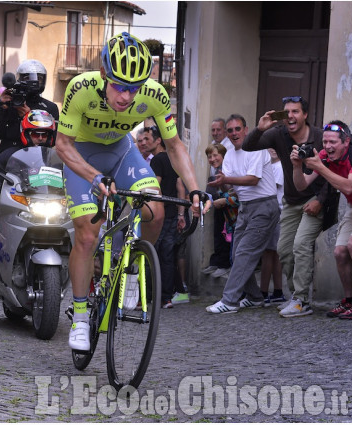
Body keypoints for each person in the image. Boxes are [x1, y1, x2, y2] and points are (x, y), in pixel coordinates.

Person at [54, 32, 208, 351]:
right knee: (86, 235)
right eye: (119, 86)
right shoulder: (80, 89)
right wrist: (94, 176)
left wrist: (195, 189)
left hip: (122, 151)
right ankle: (81, 316)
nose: (126, 96)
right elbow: (63, 145)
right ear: (103, 75)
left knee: (155, 209)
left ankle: (134, 267)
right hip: (82, 155)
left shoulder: (154, 95)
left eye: (134, 88)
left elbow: (175, 146)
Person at [243, 96, 326, 317]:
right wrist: (260, 129)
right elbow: (247, 145)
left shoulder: (319, 137)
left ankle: (301, 300)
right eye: (287, 112)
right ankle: (295, 296)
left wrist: (320, 200)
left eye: (295, 112)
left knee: (300, 245)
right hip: (291, 201)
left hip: (314, 199)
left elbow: (331, 171)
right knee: (285, 250)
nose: (290, 116)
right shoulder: (278, 134)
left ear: (305, 115)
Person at [0, 110, 57, 295]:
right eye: (36, 134)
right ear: (26, 133)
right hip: (16, 205)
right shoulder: (10, 154)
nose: (41, 138)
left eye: (45, 135)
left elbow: (71, 173)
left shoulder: (57, 157)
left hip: (48, 205)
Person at [206, 114, 280, 314]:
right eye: (230, 131)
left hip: (264, 206)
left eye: (237, 129)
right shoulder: (229, 154)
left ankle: (229, 301)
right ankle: (255, 297)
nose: (234, 133)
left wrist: (226, 179)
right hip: (245, 207)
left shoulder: (258, 148)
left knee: (244, 254)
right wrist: (221, 180)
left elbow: (253, 179)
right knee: (237, 254)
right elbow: (229, 183)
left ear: (246, 130)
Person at [291, 121, 352, 320]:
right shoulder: (324, 156)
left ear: (346, 142)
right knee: (340, 252)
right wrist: (297, 166)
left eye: (333, 142)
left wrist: (321, 168)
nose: (327, 147)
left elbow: (349, 187)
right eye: (324, 142)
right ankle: (349, 301)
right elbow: (301, 185)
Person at [145, 122, 188, 308]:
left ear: (158, 141)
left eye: (148, 139)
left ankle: (147, 298)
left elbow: (155, 187)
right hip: (172, 212)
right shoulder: (172, 159)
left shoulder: (157, 160)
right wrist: (181, 215)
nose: (145, 143)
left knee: (150, 254)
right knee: (167, 257)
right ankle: (167, 298)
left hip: (159, 214)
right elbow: (180, 187)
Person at [0, 59, 59, 155]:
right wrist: (2, 109)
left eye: (39, 78)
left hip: (37, 159)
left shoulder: (50, 107)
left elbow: (53, 141)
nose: (34, 81)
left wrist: (30, 116)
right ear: (19, 79)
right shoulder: (7, 103)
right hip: (8, 160)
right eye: (28, 78)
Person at [203, 143, 234, 277]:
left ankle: (224, 264)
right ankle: (216, 262)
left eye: (216, 155)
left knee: (226, 236)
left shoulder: (227, 170)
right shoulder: (214, 171)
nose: (212, 159)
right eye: (210, 156)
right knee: (217, 234)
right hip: (218, 208)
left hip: (230, 209)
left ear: (223, 155)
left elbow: (232, 191)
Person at [260, 148, 286, 305]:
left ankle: (263, 292)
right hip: (277, 212)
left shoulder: (278, 167)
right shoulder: (272, 166)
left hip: (275, 213)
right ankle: (278, 291)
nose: (272, 150)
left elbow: (269, 190)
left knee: (268, 254)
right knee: (275, 254)